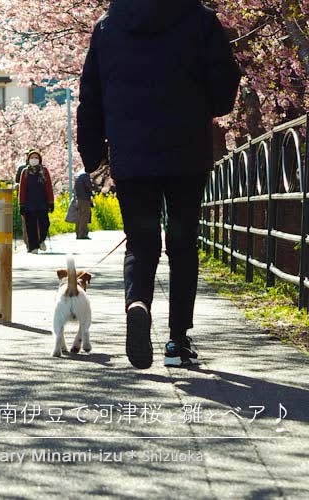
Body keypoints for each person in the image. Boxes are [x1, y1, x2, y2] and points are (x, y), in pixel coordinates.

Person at [77, 0, 240, 369]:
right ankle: (178, 341)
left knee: (141, 242)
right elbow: (223, 91)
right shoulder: (201, 20)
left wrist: (94, 158)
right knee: (182, 243)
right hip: (186, 153)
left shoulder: (108, 25)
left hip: (131, 156)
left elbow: (90, 97)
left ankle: (137, 305)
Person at [18, 151, 54, 254]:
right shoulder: (25, 172)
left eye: (36, 157)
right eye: (32, 157)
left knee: (45, 223)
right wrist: (21, 204)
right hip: (29, 203)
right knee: (30, 226)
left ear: (40, 159)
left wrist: (51, 202)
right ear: (28, 159)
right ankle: (33, 247)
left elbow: (49, 187)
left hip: (42, 202)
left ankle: (41, 240)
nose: (34, 159)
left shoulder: (44, 171)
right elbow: (22, 189)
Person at [74, 169, 94, 239]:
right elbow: (88, 187)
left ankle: (78, 233)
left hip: (79, 198)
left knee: (79, 216)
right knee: (85, 216)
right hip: (85, 198)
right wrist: (92, 193)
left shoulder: (78, 176)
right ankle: (83, 234)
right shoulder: (85, 176)